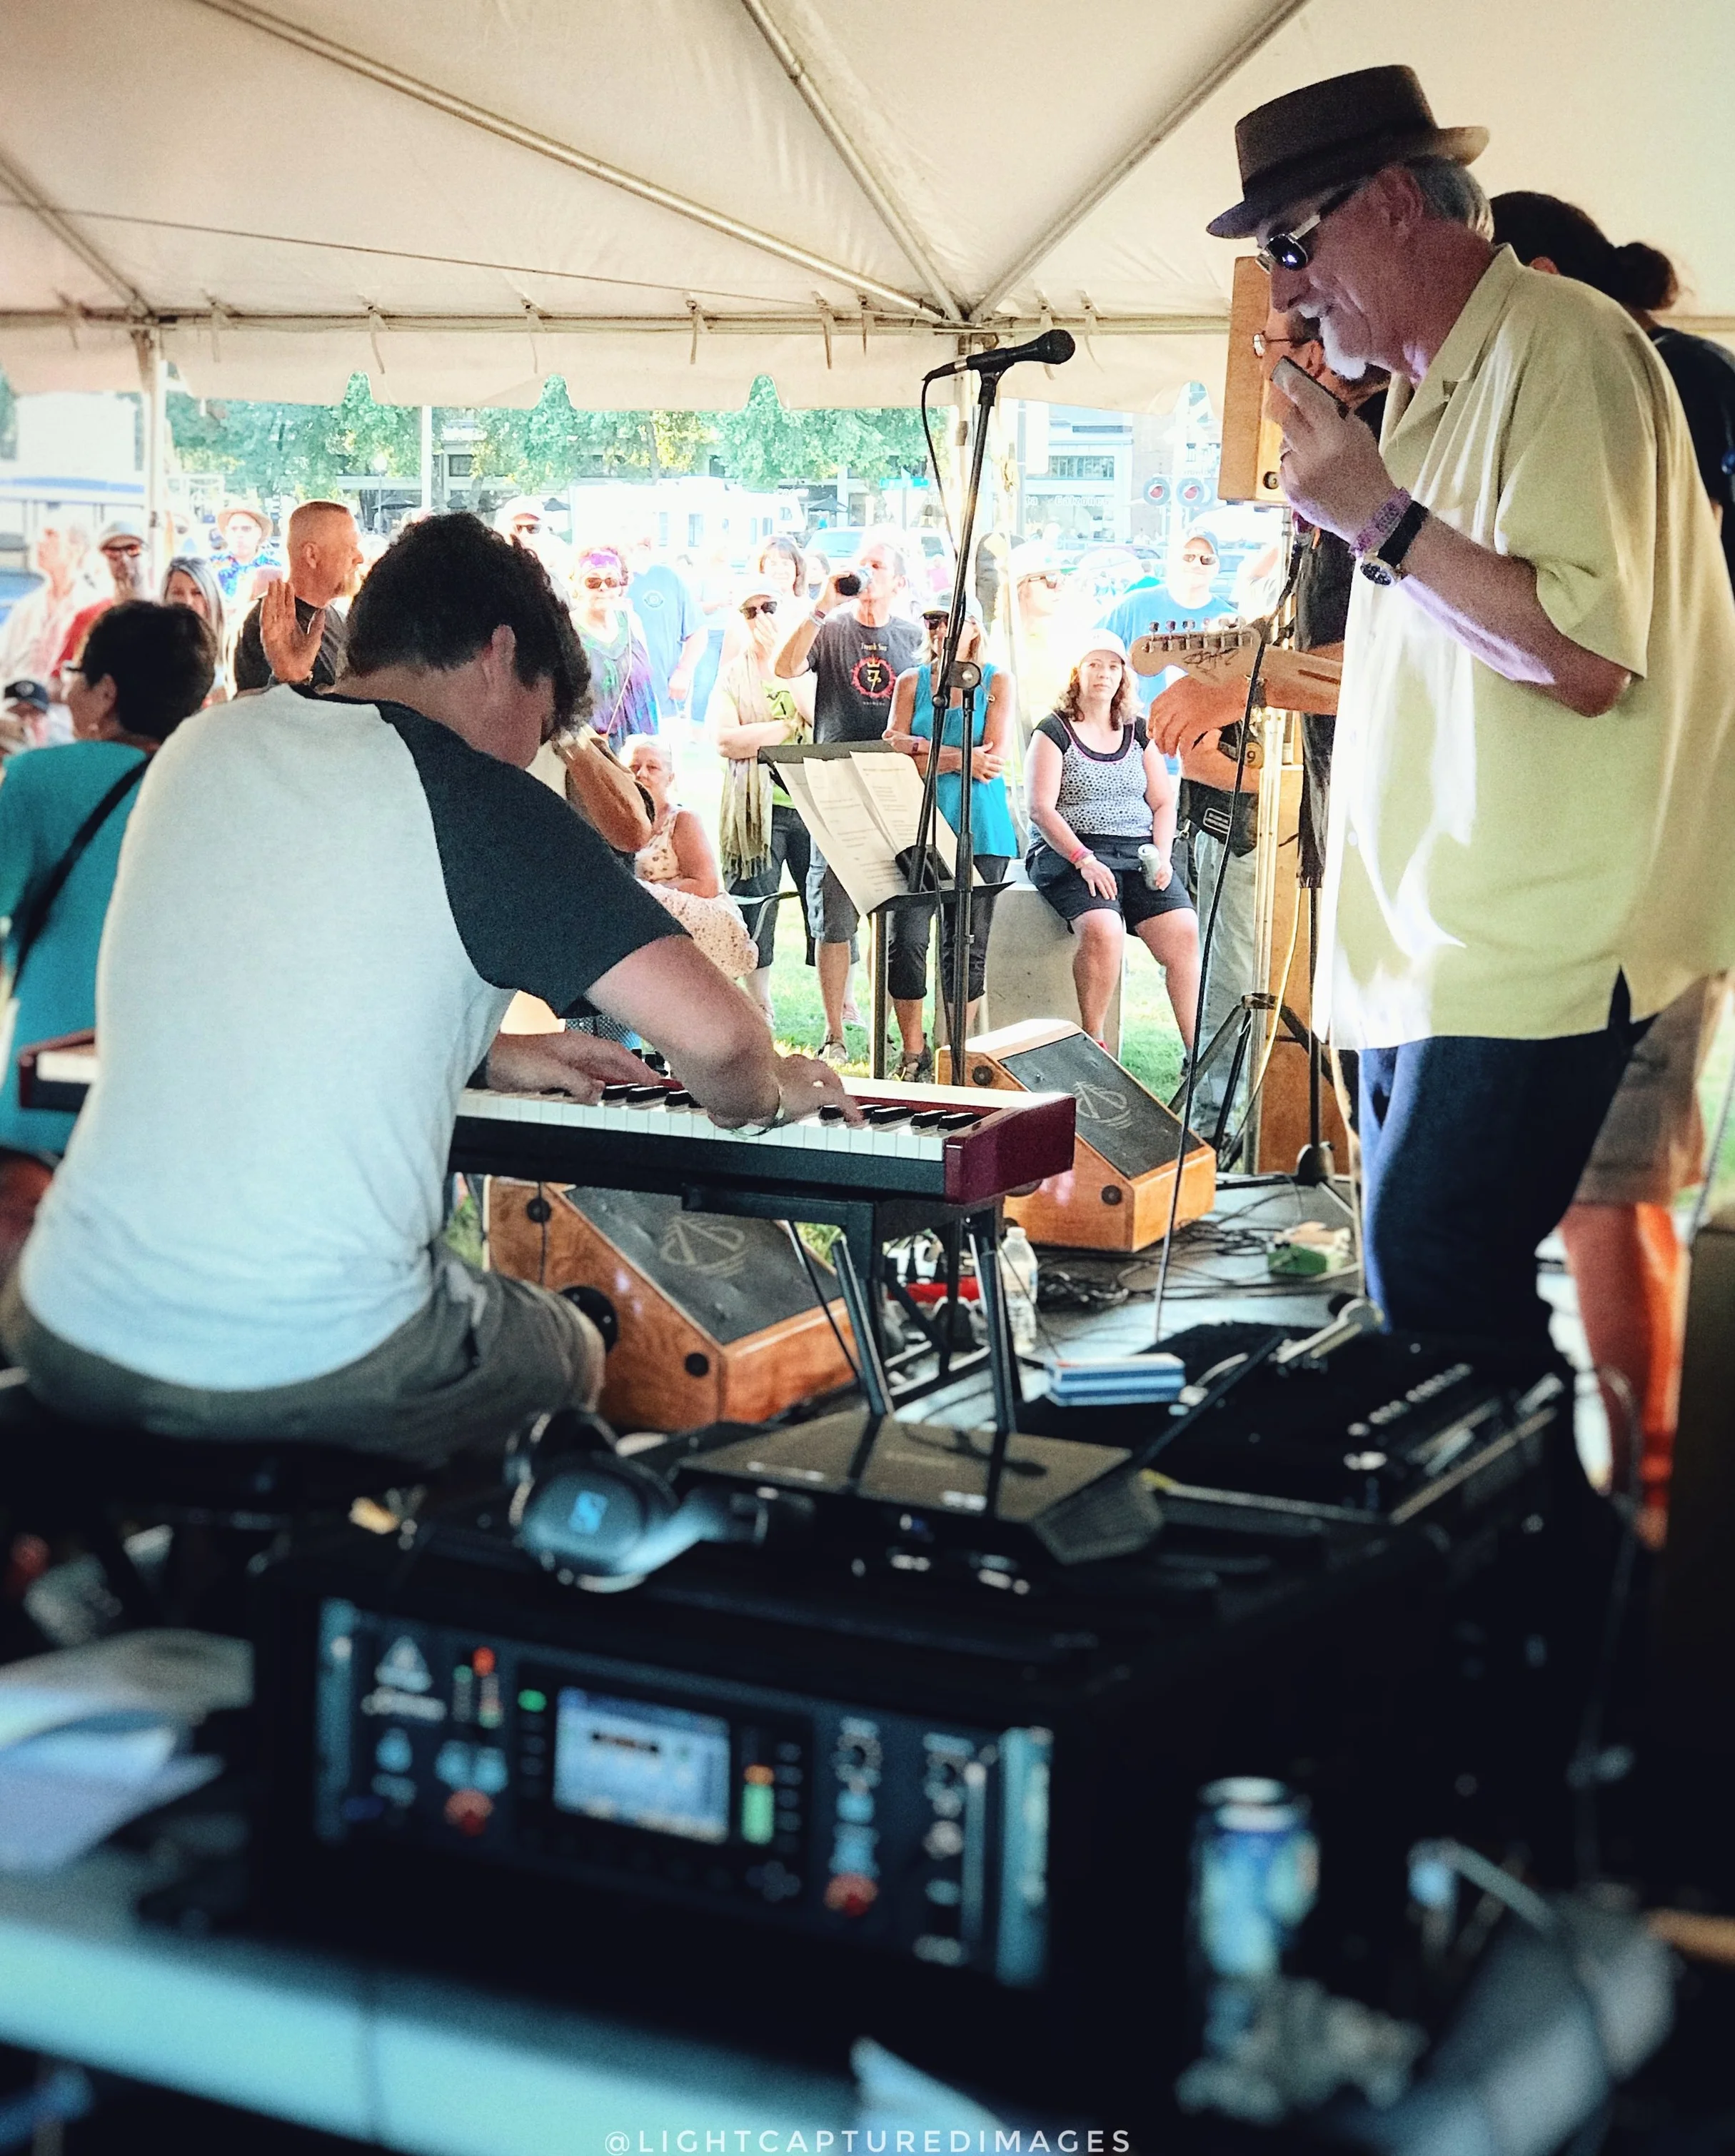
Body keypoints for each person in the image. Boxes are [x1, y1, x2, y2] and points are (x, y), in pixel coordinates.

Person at [1, 514, 856, 1463]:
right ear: (500, 653)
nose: (527, 756)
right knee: (568, 1347)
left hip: (67, 1317)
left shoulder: (205, 745)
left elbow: (282, 973)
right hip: (307, 1357)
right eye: (539, 725)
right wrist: (769, 1089)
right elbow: (723, 1043)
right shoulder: (473, 794)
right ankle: (403, 1551)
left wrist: (489, 1051)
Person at [1210, 64, 1735, 1342]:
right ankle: (1532, 1469)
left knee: (1438, 1283)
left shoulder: (1565, 346)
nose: (1280, 293)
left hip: (1535, 943)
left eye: (1291, 246)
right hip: (1442, 947)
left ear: (1395, 201)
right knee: (1427, 1297)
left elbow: (1583, 656)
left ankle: (1549, 1480)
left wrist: (1379, 520)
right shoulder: (1423, 395)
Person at [1491, 190, 1735, 1508]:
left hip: (1634, 850)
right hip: (1667, 845)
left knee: (1604, 1191)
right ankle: (1659, 1484)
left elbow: (1582, 644)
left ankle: (1645, 1501)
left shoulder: (1628, 381)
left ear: (1538, 278)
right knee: (1629, 1194)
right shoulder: (1680, 375)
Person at [1148, 314, 1389, 1139]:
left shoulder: (1385, 450)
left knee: (1389, 1078)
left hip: (1400, 825)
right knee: (1364, 1076)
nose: (1261, 372)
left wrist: (1248, 685)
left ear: (1317, 352)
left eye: (1270, 347)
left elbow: (1407, 650)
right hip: (1344, 814)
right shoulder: (1331, 467)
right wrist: (1237, 656)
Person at [0, 603, 216, 1274]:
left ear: (106, 692)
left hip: (47, 1105)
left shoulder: (38, 780)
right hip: (180, 1108)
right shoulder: (217, 790)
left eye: (77, 676)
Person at [775, 537, 922, 1062]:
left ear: (899, 582)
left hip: (896, 790)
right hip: (836, 787)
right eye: (861, 563)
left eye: (877, 565)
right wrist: (821, 604)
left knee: (896, 915)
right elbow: (785, 669)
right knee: (833, 917)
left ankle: (893, 1032)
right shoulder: (832, 627)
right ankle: (834, 1033)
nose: (865, 572)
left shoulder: (913, 637)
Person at [1025, 633, 1201, 1052]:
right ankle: (1095, 1042)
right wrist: (1083, 858)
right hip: (1073, 850)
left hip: (1139, 851)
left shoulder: (1138, 731)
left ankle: (1197, 1055)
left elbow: (1163, 802)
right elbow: (1040, 809)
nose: (1104, 674)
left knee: (1183, 929)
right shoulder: (1053, 731)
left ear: (1124, 675)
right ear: (1077, 673)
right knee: (1105, 929)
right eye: (1094, 665)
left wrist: (1162, 857)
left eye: (1113, 666)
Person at [882, 603, 1016, 1079]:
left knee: (966, 945)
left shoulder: (996, 681)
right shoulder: (911, 682)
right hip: (917, 827)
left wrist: (922, 750)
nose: (940, 628)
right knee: (907, 939)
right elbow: (892, 750)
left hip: (981, 827)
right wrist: (960, 758)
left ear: (975, 629)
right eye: (932, 620)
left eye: (951, 619)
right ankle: (912, 1051)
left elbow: (993, 759)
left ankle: (952, 1051)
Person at [710, 575, 817, 1024]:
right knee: (755, 902)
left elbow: (817, 718)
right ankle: (760, 1002)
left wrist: (784, 665)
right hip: (757, 808)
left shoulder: (807, 666)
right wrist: (786, 728)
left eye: (769, 608)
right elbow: (726, 741)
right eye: (749, 611)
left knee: (825, 906)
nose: (760, 619)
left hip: (811, 804)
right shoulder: (733, 675)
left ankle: (843, 1005)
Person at [622, 737, 760, 987]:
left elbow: (705, 885)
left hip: (691, 920)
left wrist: (648, 894)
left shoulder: (683, 820)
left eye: (653, 767)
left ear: (670, 778)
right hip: (642, 919)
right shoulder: (616, 822)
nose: (642, 774)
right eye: (634, 767)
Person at [233, 500, 362, 693]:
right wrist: (292, 678)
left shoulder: (337, 619)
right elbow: (259, 705)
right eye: (350, 548)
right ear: (312, 555)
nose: (359, 558)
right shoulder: (265, 622)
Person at [0, 524, 96, 718]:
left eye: (51, 536)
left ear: (75, 550)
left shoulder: (93, 608)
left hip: (68, 722)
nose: (40, 544)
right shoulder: (26, 608)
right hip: (16, 718)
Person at [569, 545, 658, 745]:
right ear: (577, 586)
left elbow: (648, 684)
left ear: (621, 586)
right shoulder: (567, 630)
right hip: (593, 746)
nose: (603, 588)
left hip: (640, 741)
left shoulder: (632, 622)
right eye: (593, 582)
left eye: (611, 581)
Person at [621, 528, 707, 729]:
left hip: (665, 699)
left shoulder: (667, 578)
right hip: (621, 706)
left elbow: (698, 631)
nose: (644, 538)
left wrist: (684, 671)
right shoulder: (606, 583)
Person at [161, 556, 228, 703]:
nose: (187, 602)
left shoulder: (231, 648)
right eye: (177, 593)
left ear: (211, 597)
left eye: (197, 593)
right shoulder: (155, 650)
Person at [210, 503, 280, 611]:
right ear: (227, 533)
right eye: (234, 529)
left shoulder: (274, 569)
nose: (239, 534)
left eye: (246, 529)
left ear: (259, 533)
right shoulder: (210, 566)